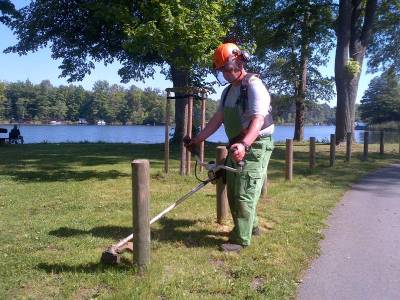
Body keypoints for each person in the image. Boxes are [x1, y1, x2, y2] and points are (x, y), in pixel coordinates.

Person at [185, 43, 274, 252]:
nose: (226, 74)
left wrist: (244, 144)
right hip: (238, 143)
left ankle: (240, 239)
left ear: (239, 62)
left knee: (245, 191)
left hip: (256, 143)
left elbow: (258, 121)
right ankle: (251, 227)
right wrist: (198, 139)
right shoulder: (227, 92)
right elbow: (218, 119)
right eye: (222, 70)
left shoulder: (253, 86)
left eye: (229, 68)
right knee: (234, 188)